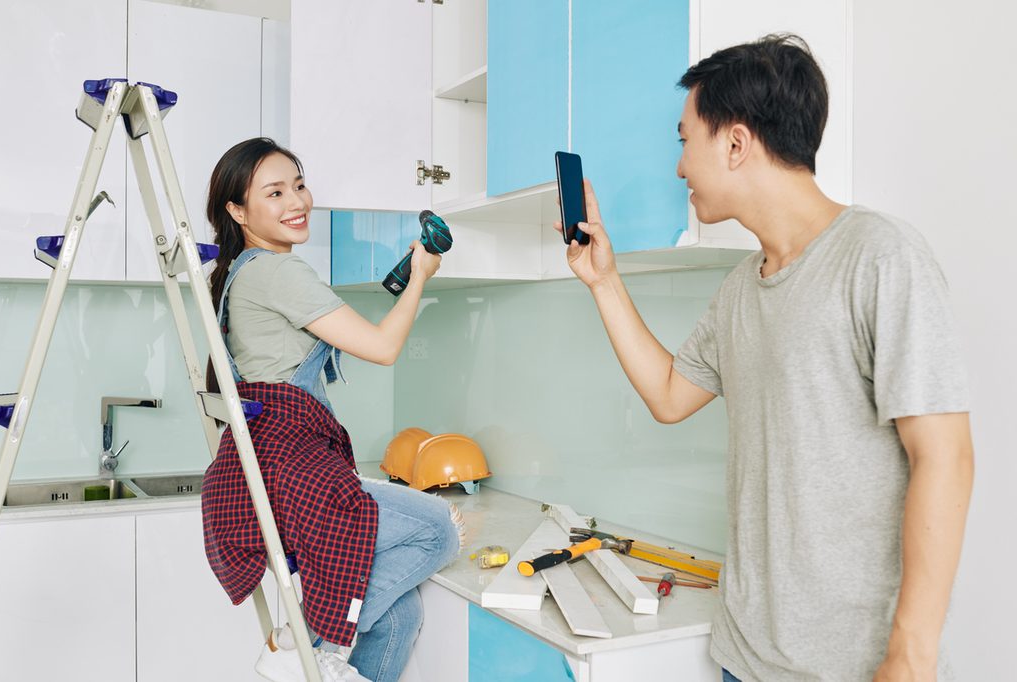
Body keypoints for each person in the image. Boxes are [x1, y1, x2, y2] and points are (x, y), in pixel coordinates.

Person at [559, 35, 974, 681]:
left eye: (683, 140)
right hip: (745, 656)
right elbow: (670, 396)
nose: (678, 168)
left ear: (734, 142)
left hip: (853, 667)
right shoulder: (740, 290)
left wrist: (912, 654)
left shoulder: (880, 256)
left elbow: (945, 456)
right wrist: (603, 282)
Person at [199, 137, 465, 682]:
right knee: (437, 529)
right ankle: (301, 643)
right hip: (290, 465)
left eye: (298, 185)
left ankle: (313, 648)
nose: (296, 201)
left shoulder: (240, 273)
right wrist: (419, 277)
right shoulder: (278, 272)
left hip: (271, 468)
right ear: (237, 210)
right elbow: (384, 348)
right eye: (274, 192)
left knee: (398, 615)